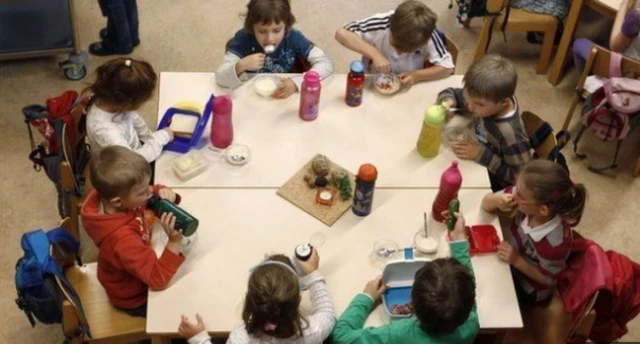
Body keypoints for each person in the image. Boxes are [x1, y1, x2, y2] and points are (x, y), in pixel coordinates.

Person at [331, 212, 478, 344]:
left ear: (412, 303)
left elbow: (340, 336)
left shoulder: (399, 335)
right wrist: (459, 240)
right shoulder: (471, 325)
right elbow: (467, 294)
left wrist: (366, 297)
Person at [81, 146, 186, 317]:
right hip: (134, 297)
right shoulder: (122, 240)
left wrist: (163, 192)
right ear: (117, 202)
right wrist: (174, 242)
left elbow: (145, 193)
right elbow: (157, 279)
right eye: (143, 192)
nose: (149, 192)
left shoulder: (116, 197)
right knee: (181, 305)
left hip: (136, 262)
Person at [481, 160, 587, 305]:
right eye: (516, 188)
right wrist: (495, 201)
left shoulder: (555, 243)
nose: (514, 194)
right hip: (510, 257)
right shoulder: (524, 196)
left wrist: (516, 260)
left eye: (519, 194)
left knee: (488, 296)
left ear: (543, 210)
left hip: (529, 287)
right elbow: (485, 204)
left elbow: (550, 279)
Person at [179, 250, 335, 343]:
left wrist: (199, 338)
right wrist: (313, 274)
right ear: (296, 301)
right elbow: (327, 314)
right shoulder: (311, 332)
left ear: (249, 300)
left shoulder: (241, 338)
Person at [437, 54, 531, 191]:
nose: (469, 107)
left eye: (478, 104)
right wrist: (449, 102)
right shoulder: (484, 98)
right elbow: (451, 92)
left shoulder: (510, 134)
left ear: (504, 102)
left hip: (491, 180)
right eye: (468, 98)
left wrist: (481, 154)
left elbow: (519, 178)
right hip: (477, 142)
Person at [216, 0, 333, 99]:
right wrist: (240, 65)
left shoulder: (293, 37)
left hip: (282, 97)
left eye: (276, 31)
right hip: (250, 97)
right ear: (251, 27)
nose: (270, 39)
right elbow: (220, 77)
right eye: (262, 31)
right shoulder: (243, 38)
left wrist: (296, 82)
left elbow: (325, 63)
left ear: (286, 26)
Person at [335, 0, 454, 88]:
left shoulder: (428, 33)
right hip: (374, 79)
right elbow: (341, 33)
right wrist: (375, 54)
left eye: (408, 50)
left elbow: (447, 68)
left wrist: (416, 75)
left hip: (409, 84)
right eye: (396, 46)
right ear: (391, 28)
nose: (399, 53)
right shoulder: (382, 22)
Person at [84, 57, 173, 163]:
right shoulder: (105, 131)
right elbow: (133, 162)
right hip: (118, 168)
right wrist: (161, 137)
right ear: (128, 104)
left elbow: (135, 120)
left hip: (128, 151)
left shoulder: (110, 98)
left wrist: (150, 138)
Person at [573, 0, 640, 72]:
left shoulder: (636, 17)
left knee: (579, 44)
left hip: (625, 71)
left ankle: (587, 79)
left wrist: (625, 3)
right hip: (634, 70)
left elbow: (615, 47)